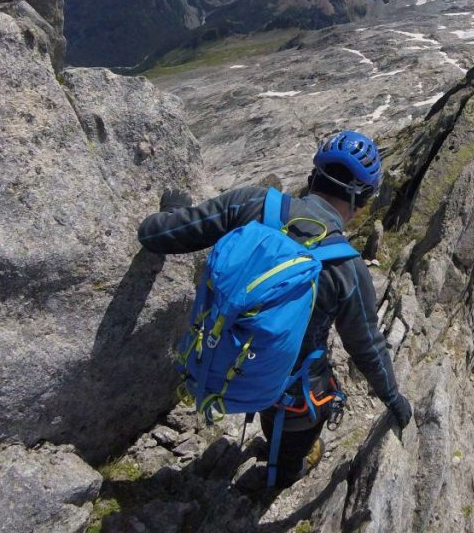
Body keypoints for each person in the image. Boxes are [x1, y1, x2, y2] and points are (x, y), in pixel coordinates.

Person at [136, 130, 412, 487]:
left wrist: (174, 213)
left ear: (314, 175)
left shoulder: (250, 204)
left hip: (222, 359)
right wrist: (392, 397)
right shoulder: (347, 269)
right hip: (289, 394)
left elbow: (155, 235)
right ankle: (284, 471)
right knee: (301, 420)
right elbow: (367, 347)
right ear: (362, 199)